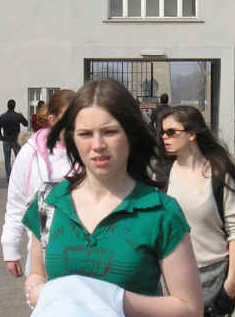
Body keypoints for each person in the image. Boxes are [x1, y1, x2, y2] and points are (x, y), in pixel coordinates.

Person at [22, 79, 202, 316]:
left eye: (110, 132)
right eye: (85, 134)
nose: (97, 145)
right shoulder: (48, 202)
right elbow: (37, 272)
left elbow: (190, 308)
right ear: (72, 138)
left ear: (131, 134)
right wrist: (36, 288)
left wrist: (113, 299)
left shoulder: (161, 212)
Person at [161, 106, 235, 317]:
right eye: (163, 132)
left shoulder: (219, 173)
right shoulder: (162, 175)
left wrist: (231, 282)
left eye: (172, 132)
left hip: (215, 275)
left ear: (191, 134)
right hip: (173, 276)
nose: (165, 137)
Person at [1, 89, 75, 277]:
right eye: (69, 117)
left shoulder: (88, 153)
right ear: (52, 119)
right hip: (42, 254)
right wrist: (10, 248)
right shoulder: (30, 154)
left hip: (82, 254)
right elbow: (16, 203)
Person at [0, 99, 29, 179]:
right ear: (14, 106)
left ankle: (9, 177)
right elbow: (26, 124)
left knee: (7, 160)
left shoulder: (3, 116)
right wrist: (22, 115)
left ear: (7, 106)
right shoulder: (18, 116)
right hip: (16, 140)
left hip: (6, 140)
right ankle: (18, 176)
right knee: (19, 158)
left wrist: (2, 138)